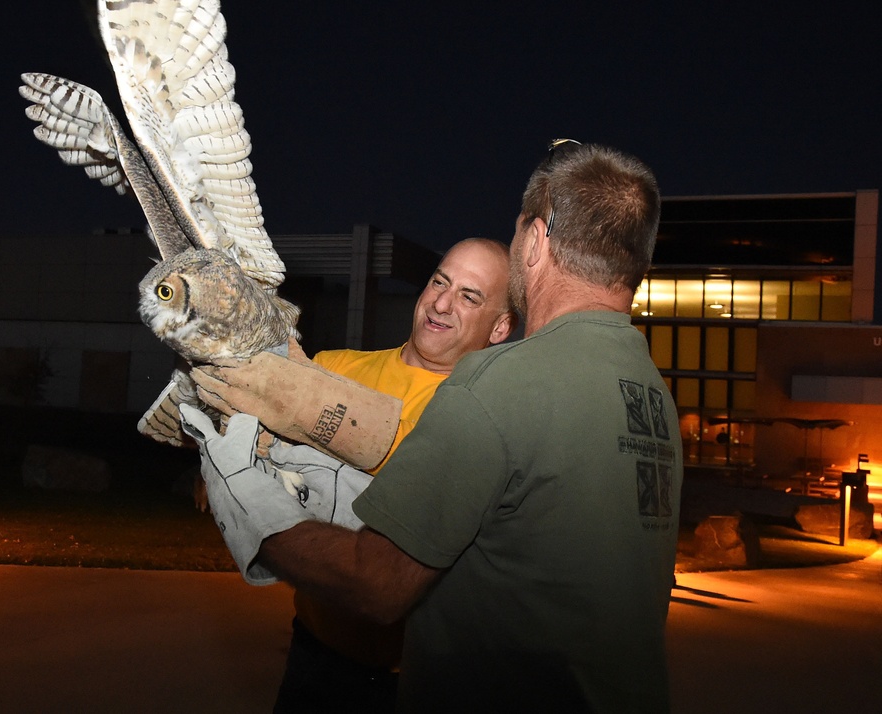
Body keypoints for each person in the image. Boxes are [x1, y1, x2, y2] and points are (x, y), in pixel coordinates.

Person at [183, 140, 682, 712]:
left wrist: (243, 496)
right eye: (441, 282)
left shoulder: (500, 385)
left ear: (538, 241)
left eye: (519, 232)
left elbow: (377, 584)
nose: (444, 303)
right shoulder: (650, 394)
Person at [191, 237, 516, 713]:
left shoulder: (483, 421)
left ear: (500, 326)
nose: (442, 303)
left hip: (413, 683)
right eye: (439, 282)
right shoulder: (331, 370)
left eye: (470, 297)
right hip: (314, 656)